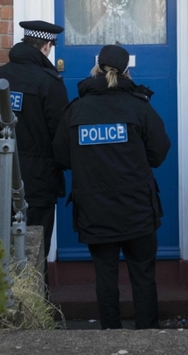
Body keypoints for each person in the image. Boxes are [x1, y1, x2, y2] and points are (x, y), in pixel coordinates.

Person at [53, 44, 171, 330]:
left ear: (96, 69)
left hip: (95, 212)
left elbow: (62, 157)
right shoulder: (139, 107)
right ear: (127, 71)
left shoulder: (76, 110)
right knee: (143, 275)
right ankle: (148, 336)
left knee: (105, 276)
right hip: (137, 209)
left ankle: (110, 336)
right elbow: (159, 153)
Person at [0, 20, 68, 257]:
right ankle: (35, 295)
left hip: (1, 176)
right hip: (38, 182)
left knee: (4, 249)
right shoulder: (49, 82)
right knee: (35, 253)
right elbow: (60, 135)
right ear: (47, 46)